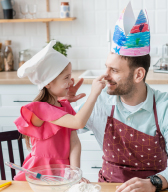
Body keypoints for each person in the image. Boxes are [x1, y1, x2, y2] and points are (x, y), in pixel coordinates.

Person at [66, 3, 168, 192]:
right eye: (106, 67)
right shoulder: (100, 101)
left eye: (114, 70)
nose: (105, 76)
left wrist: (154, 183)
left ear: (138, 75)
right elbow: (60, 131)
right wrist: (60, 104)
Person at [13, 40, 106, 181]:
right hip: (40, 171)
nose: (71, 81)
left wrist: (75, 173)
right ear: (49, 83)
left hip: (63, 169)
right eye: (66, 77)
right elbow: (78, 122)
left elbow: (74, 142)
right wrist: (94, 94)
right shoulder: (40, 108)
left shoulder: (65, 105)